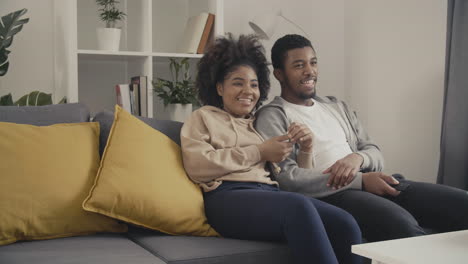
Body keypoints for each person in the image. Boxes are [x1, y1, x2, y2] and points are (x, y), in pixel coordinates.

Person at [254, 34, 468, 243]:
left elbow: (374, 151)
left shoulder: (336, 106)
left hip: (372, 179)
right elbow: (288, 178)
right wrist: (360, 181)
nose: (310, 71)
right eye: (299, 65)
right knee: (404, 228)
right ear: (279, 74)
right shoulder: (272, 115)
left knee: (462, 204)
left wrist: (357, 158)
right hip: (334, 195)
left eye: (313, 62)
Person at [181, 34, 362, 264]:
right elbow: (197, 166)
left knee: (344, 223)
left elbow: (295, 181)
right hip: (226, 198)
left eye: (254, 84)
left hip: (269, 194)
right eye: (238, 82)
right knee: (298, 208)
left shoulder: (256, 125)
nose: (248, 90)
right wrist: (259, 152)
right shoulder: (203, 117)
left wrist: (306, 148)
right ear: (219, 87)